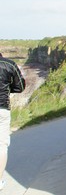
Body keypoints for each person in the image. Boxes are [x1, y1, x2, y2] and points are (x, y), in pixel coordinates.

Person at [0, 52, 25, 190]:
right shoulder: (9, 64)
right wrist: (8, 88)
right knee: (1, 145)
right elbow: (20, 86)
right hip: (2, 108)